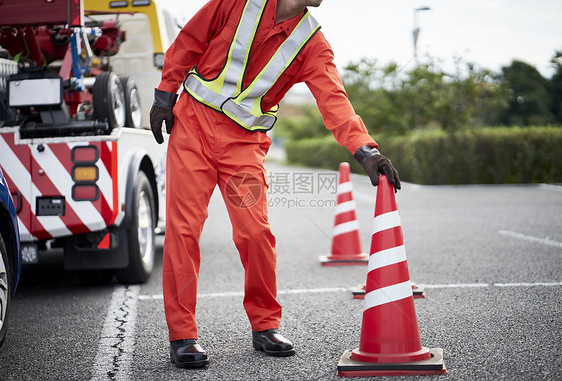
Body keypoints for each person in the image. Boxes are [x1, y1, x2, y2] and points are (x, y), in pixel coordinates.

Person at [150, 0, 401, 369]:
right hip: (192, 129)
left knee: (255, 233)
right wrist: (163, 94)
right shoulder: (236, 2)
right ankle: (182, 334)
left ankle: (264, 326)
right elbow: (189, 40)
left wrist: (365, 151)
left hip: (243, 148)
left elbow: (334, 101)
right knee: (183, 230)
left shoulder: (312, 43)